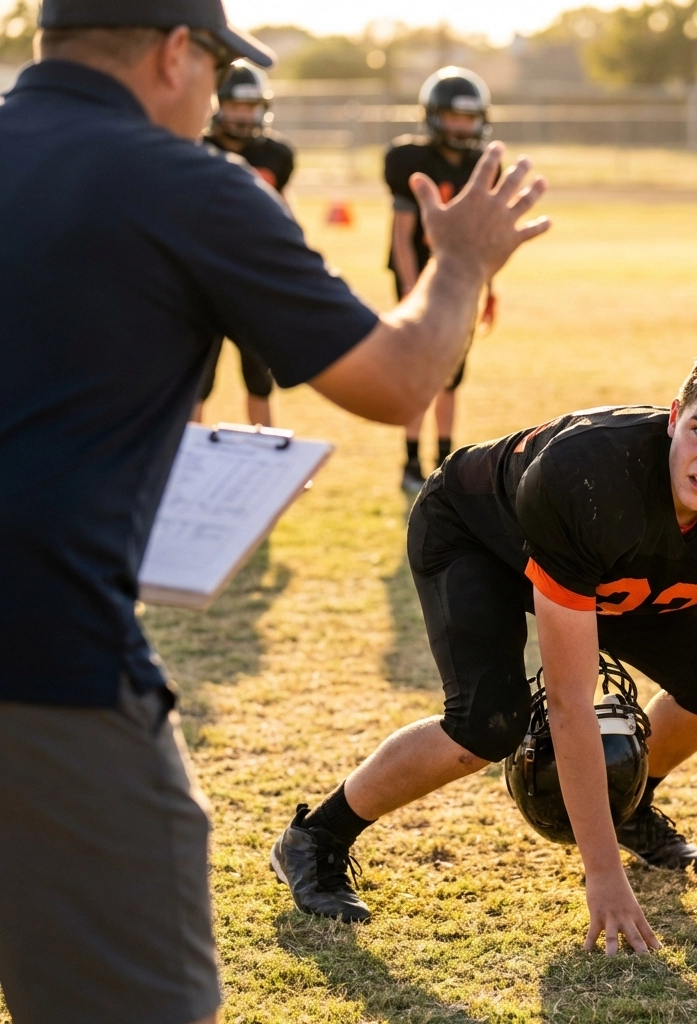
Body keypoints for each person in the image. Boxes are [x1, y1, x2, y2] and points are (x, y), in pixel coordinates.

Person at [0, 0, 549, 1019]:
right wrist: (463, 260)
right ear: (176, 53)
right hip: (44, 671)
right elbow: (394, 381)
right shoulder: (186, 185)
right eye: (216, 71)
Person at [274, 344, 697, 952]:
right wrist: (601, 876)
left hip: (615, 566)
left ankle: (631, 803)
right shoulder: (592, 474)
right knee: (488, 724)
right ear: (674, 414)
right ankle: (316, 838)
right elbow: (570, 699)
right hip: (482, 537)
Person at [385, 66, 497, 493]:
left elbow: (483, 236)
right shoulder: (410, 160)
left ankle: (445, 461)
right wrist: (412, 291)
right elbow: (401, 235)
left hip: (461, 279)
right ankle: (411, 462)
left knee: (452, 374)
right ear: (433, 116)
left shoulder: (481, 164)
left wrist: (487, 285)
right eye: (454, 117)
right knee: (419, 371)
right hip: (419, 277)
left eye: (469, 118)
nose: (462, 126)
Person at [193, 61, 296, 427]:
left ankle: (265, 457)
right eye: (235, 105)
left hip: (253, 278)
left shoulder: (276, 154)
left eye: (250, 106)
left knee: (259, 377)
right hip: (201, 280)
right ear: (218, 104)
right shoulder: (195, 148)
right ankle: (187, 462)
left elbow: (283, 210)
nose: (242, 114)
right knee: (196, 383)